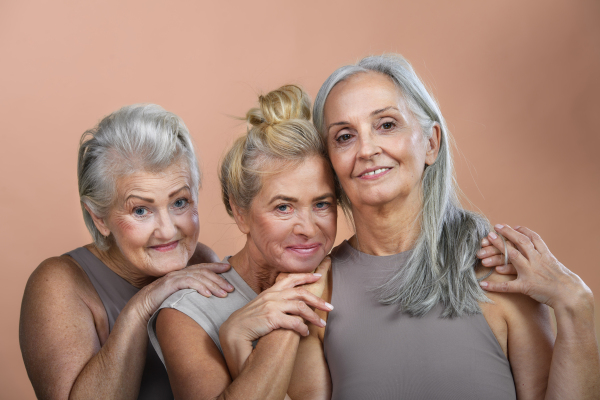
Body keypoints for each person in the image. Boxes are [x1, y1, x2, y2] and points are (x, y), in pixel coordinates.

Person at [295, 53, 599, 399]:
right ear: (330, 166)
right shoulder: (318, 292)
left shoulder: (498, 272)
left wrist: (577, 306)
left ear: (431, 143)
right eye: (344, 136)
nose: (367, 149)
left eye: (387, 125)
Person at [19, 104, 237, 400]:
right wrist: (143, 304)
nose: (168, 230)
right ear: (99, 218)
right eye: (141, 210)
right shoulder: (58, 283)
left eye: (179, 202)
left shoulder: (202, 260)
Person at [147, 86, 337, 400]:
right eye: (283, 207)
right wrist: (238, 332)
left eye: (322, 204)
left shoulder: (347, 281)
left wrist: (236, 344)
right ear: (241, 213)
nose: (307, 228)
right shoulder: (185, 315)